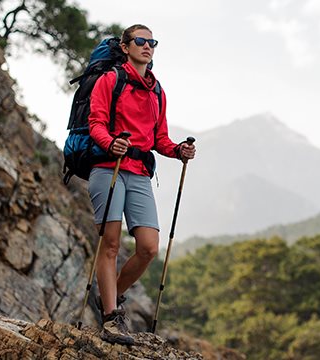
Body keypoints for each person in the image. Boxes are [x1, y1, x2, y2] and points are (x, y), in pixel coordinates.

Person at [87, 24, 196, 345]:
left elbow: (159, 138)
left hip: (139, 172)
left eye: (152, 42)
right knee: (110, 243)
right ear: (125, 46)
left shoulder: (157, 90)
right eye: (140, 41)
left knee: (148, 247)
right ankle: (110, 317)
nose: (147, 47)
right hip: (109, 166)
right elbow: (95, 123)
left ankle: (109, 295)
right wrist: (111, 143)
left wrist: (178, 151)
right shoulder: (110, 80)